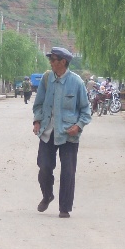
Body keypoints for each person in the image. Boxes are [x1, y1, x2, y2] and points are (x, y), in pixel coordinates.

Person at [32, 46, 91, 218]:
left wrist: (78, 126)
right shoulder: (46, 78)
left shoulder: (77, 82)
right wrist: (37, 121)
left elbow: (86, 110)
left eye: (53, 60)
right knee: (44, 167)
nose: (50, 63)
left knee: (68, 171)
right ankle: (47, 195)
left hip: (68, 134)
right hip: (47, 131)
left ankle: (64, 208)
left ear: (63, 62)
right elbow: (38, 104)